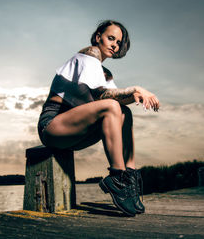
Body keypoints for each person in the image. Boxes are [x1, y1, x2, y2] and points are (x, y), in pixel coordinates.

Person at [37, 20, 159, 217]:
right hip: (53, 126)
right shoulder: (88, 54)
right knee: (112, 107)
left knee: (123, 112)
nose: (114, 45)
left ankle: (129, 176)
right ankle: (117, 177)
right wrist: (136, 88)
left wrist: (138, 93)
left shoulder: (104, 73)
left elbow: (113, 98)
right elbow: (103, 97)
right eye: (111, 38)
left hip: (76, 133)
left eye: (118, 42)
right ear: (98, 37)